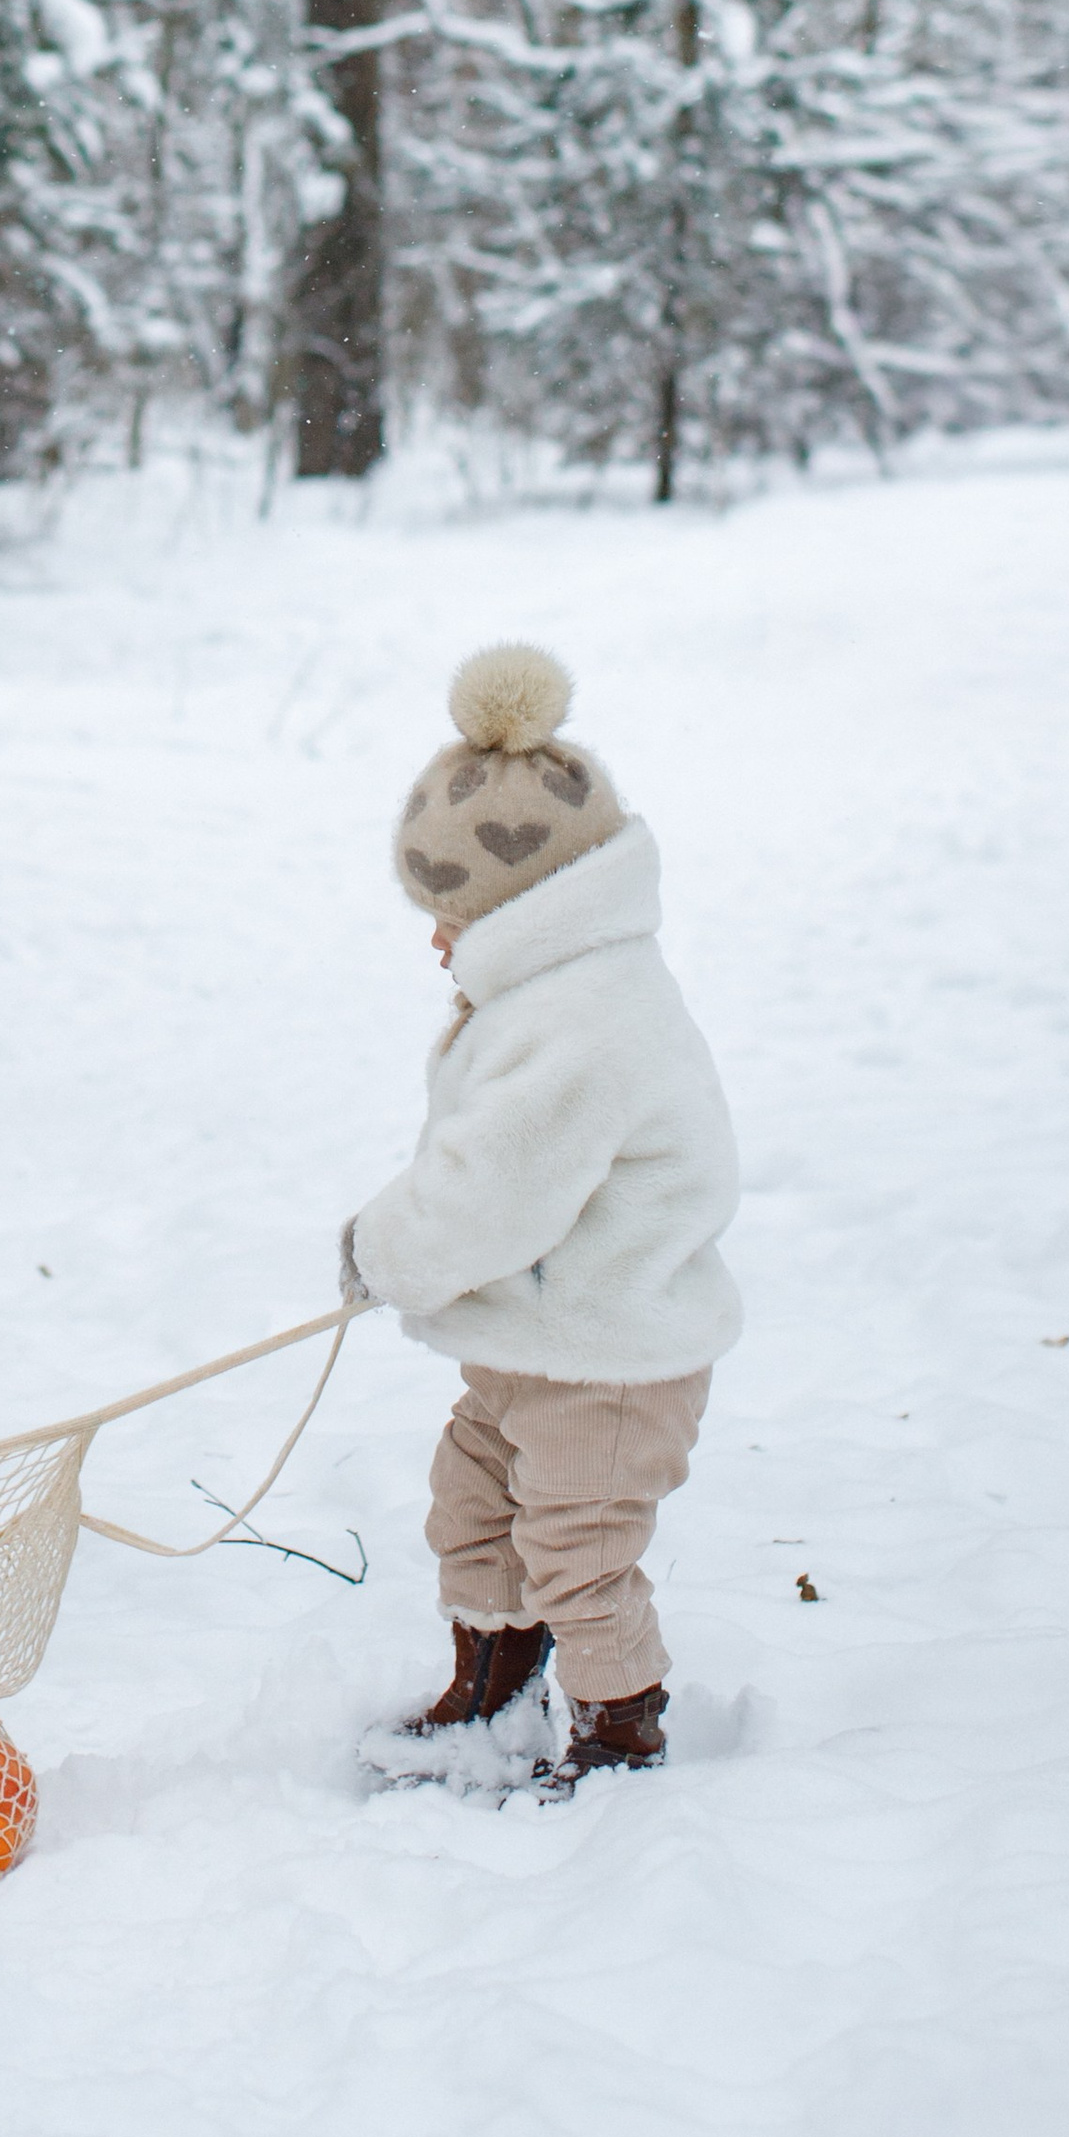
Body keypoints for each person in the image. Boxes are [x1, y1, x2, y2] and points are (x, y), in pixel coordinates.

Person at [341, 643, 740, 1793]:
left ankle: (619, 1728)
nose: (432, 939)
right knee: (472, 1502)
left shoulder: (583, 1022)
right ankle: (489, 1678)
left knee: (578, 1546)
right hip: (537, 1342)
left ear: (524, 903)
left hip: (612, 1359)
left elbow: (492, 1194)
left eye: (449, 915)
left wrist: (386, 1253)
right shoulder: (554, 990)